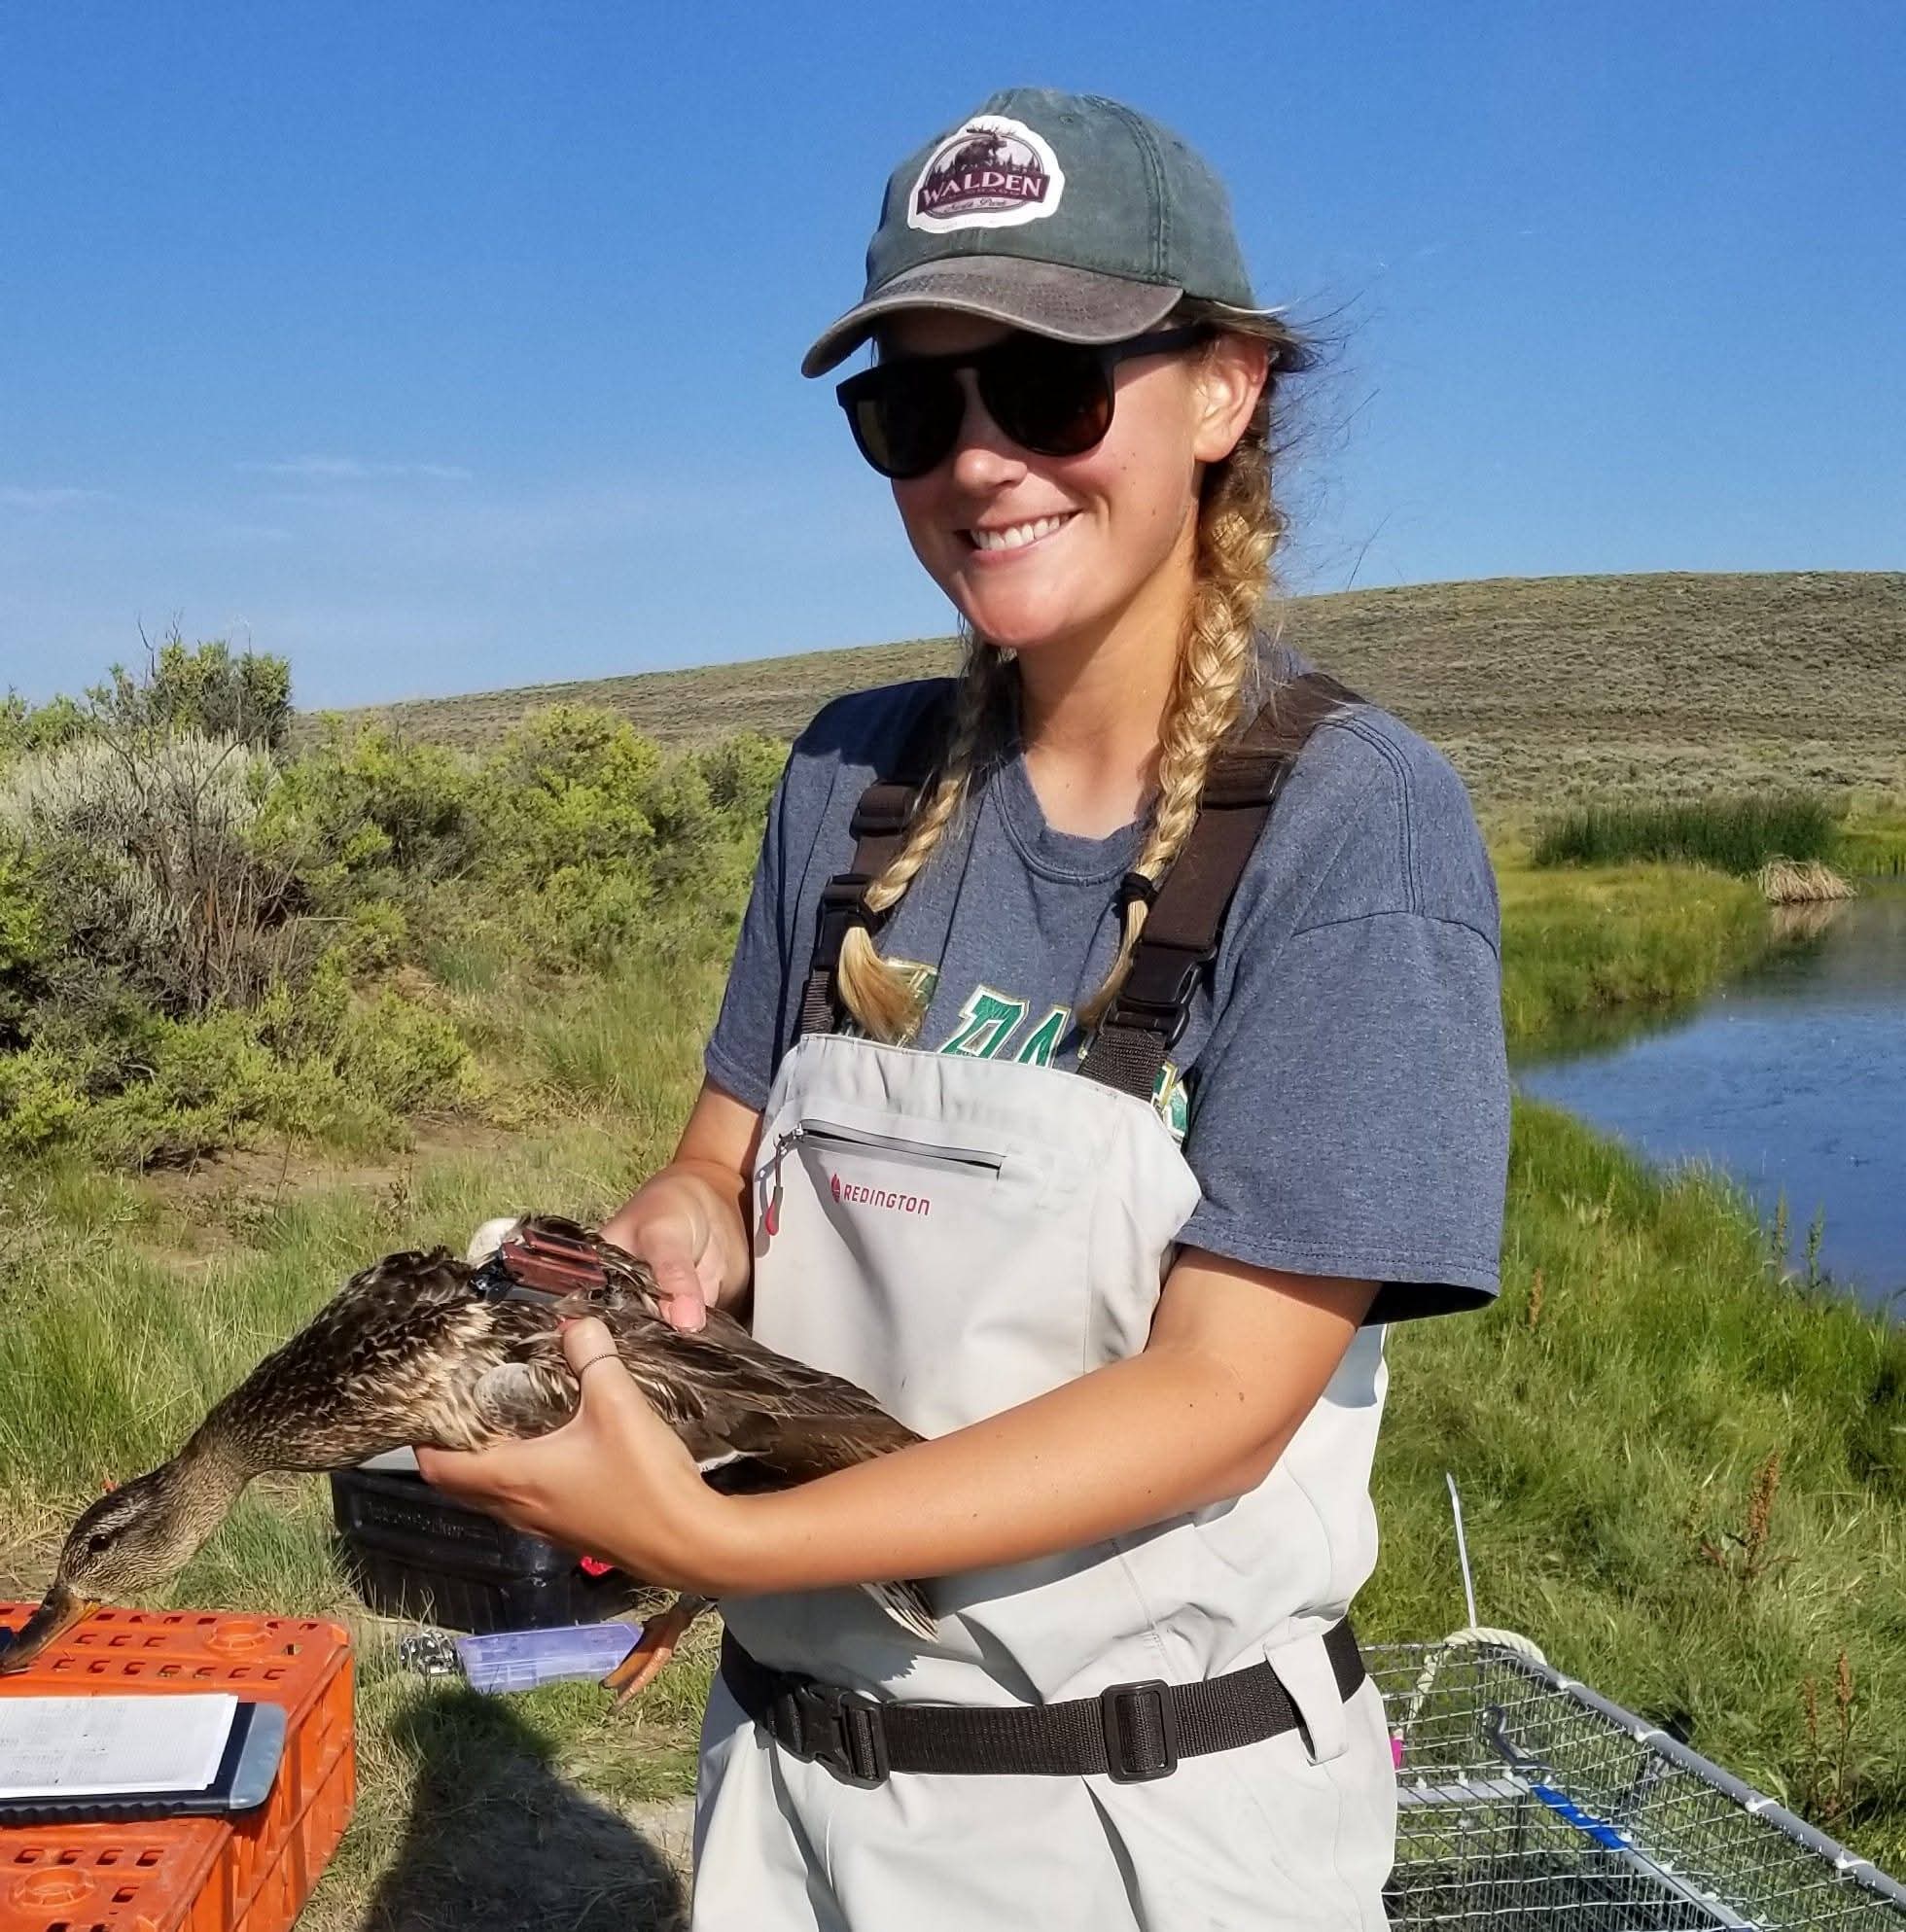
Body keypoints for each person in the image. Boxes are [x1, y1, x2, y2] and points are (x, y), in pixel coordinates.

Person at [418, 85, 1510, 1931]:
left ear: (1225, 391)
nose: (981, 460)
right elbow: (717, 1162)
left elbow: (1218, 1401)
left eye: (1053, 387)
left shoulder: (1353, 826)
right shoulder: (847, 779)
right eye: (916, 408)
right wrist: (664, 1242)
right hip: (785, 1805)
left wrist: (719, 1539)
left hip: (1137, 1836)